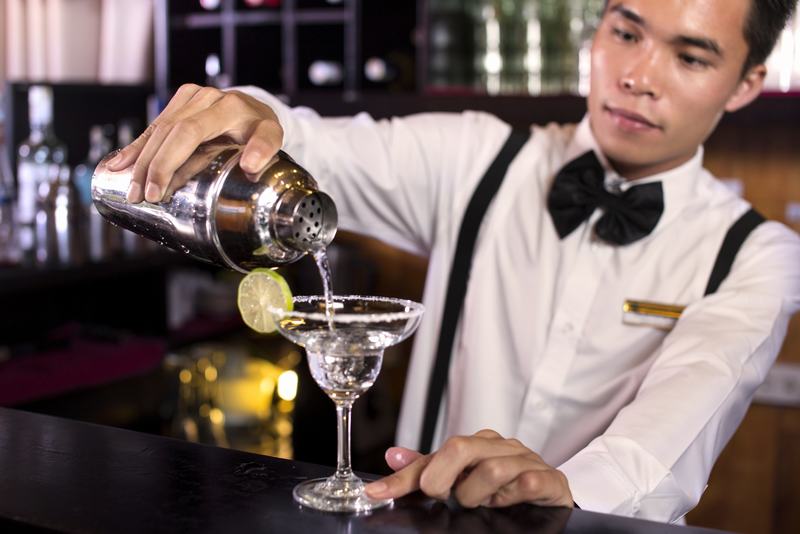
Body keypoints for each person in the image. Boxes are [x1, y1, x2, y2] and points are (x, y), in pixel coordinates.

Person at [108, 0, 800, 523]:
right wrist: (248, 115)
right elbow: (313, 143)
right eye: (626, 33)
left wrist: (568, 488)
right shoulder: (476, 159)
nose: (639, 76)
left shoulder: (757, 256)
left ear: (746, 83)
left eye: (691, 57)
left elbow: (675, 427)